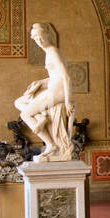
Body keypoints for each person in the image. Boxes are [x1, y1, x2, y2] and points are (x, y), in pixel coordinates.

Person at [14, 23, 74, 162]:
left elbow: (66, 77)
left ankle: (51, 145)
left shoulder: (53, 51)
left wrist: (68, 101)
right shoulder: (49, 52)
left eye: (40, 37)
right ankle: (41, 116)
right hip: (51, 90)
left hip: (56, 94)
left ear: (47, 35)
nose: (39, 41)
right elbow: (55, 76)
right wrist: (40, 82)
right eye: (35, 39)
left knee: (25, 114)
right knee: (19, 101)